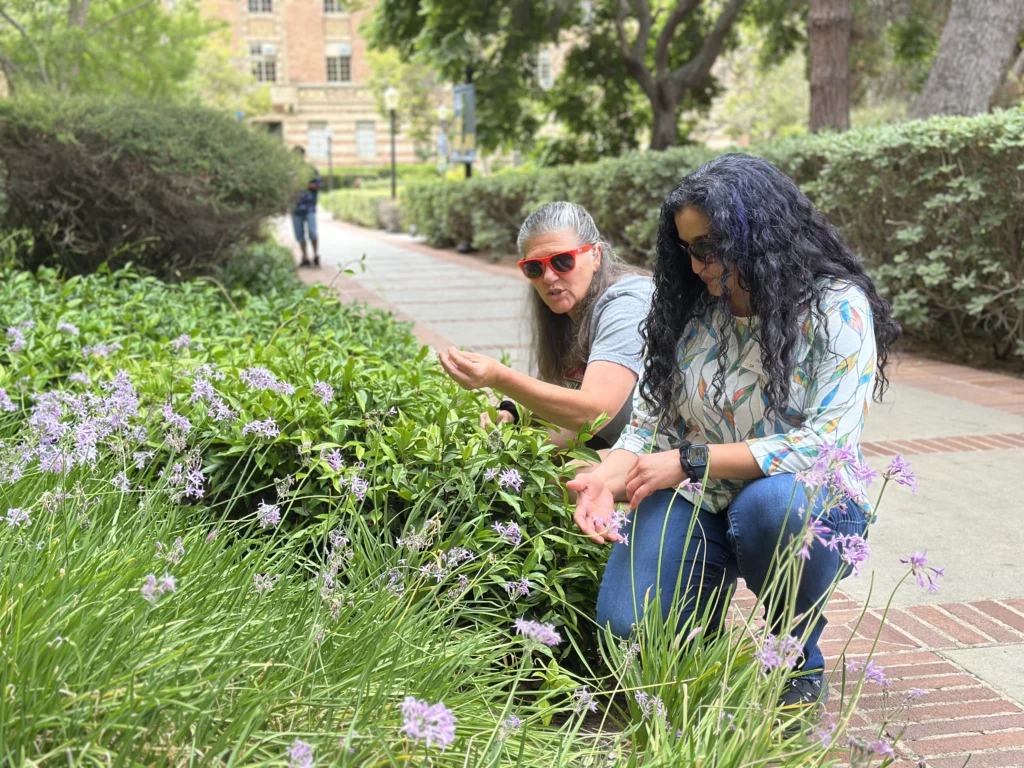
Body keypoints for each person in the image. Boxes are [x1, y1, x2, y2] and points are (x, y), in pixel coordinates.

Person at [567, 154, 900, 709]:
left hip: (808, 503)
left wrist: (695, 460)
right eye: (687, 249)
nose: (697, 264)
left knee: (770, 508)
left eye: (710, 245)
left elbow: (827, 442)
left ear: (761, 233)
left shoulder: (836, 308)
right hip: (700, 498)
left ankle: (795, 660)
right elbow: (649, 421)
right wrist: (606, 475)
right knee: (628, 628)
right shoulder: (693, 309)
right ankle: (702, 646)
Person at [438, 202, 653, 452]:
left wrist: (499, 377)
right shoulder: (567, 312)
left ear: (596, 255)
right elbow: (572, 421)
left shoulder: (627, 303)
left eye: (562, 261)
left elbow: (594, 413)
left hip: (676, 458)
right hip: (623, 442)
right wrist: (514, 418)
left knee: (573, 481)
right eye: (535, 267)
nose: (548, 277)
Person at [292, 146, 322, 268]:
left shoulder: (311, 170)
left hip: (309, 207)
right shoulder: (290, 171)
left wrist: (306, 184)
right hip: (295, 207)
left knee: (312, 232)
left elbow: (319, 185)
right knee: (299, 234)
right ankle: (304, 257)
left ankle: (315, 256)